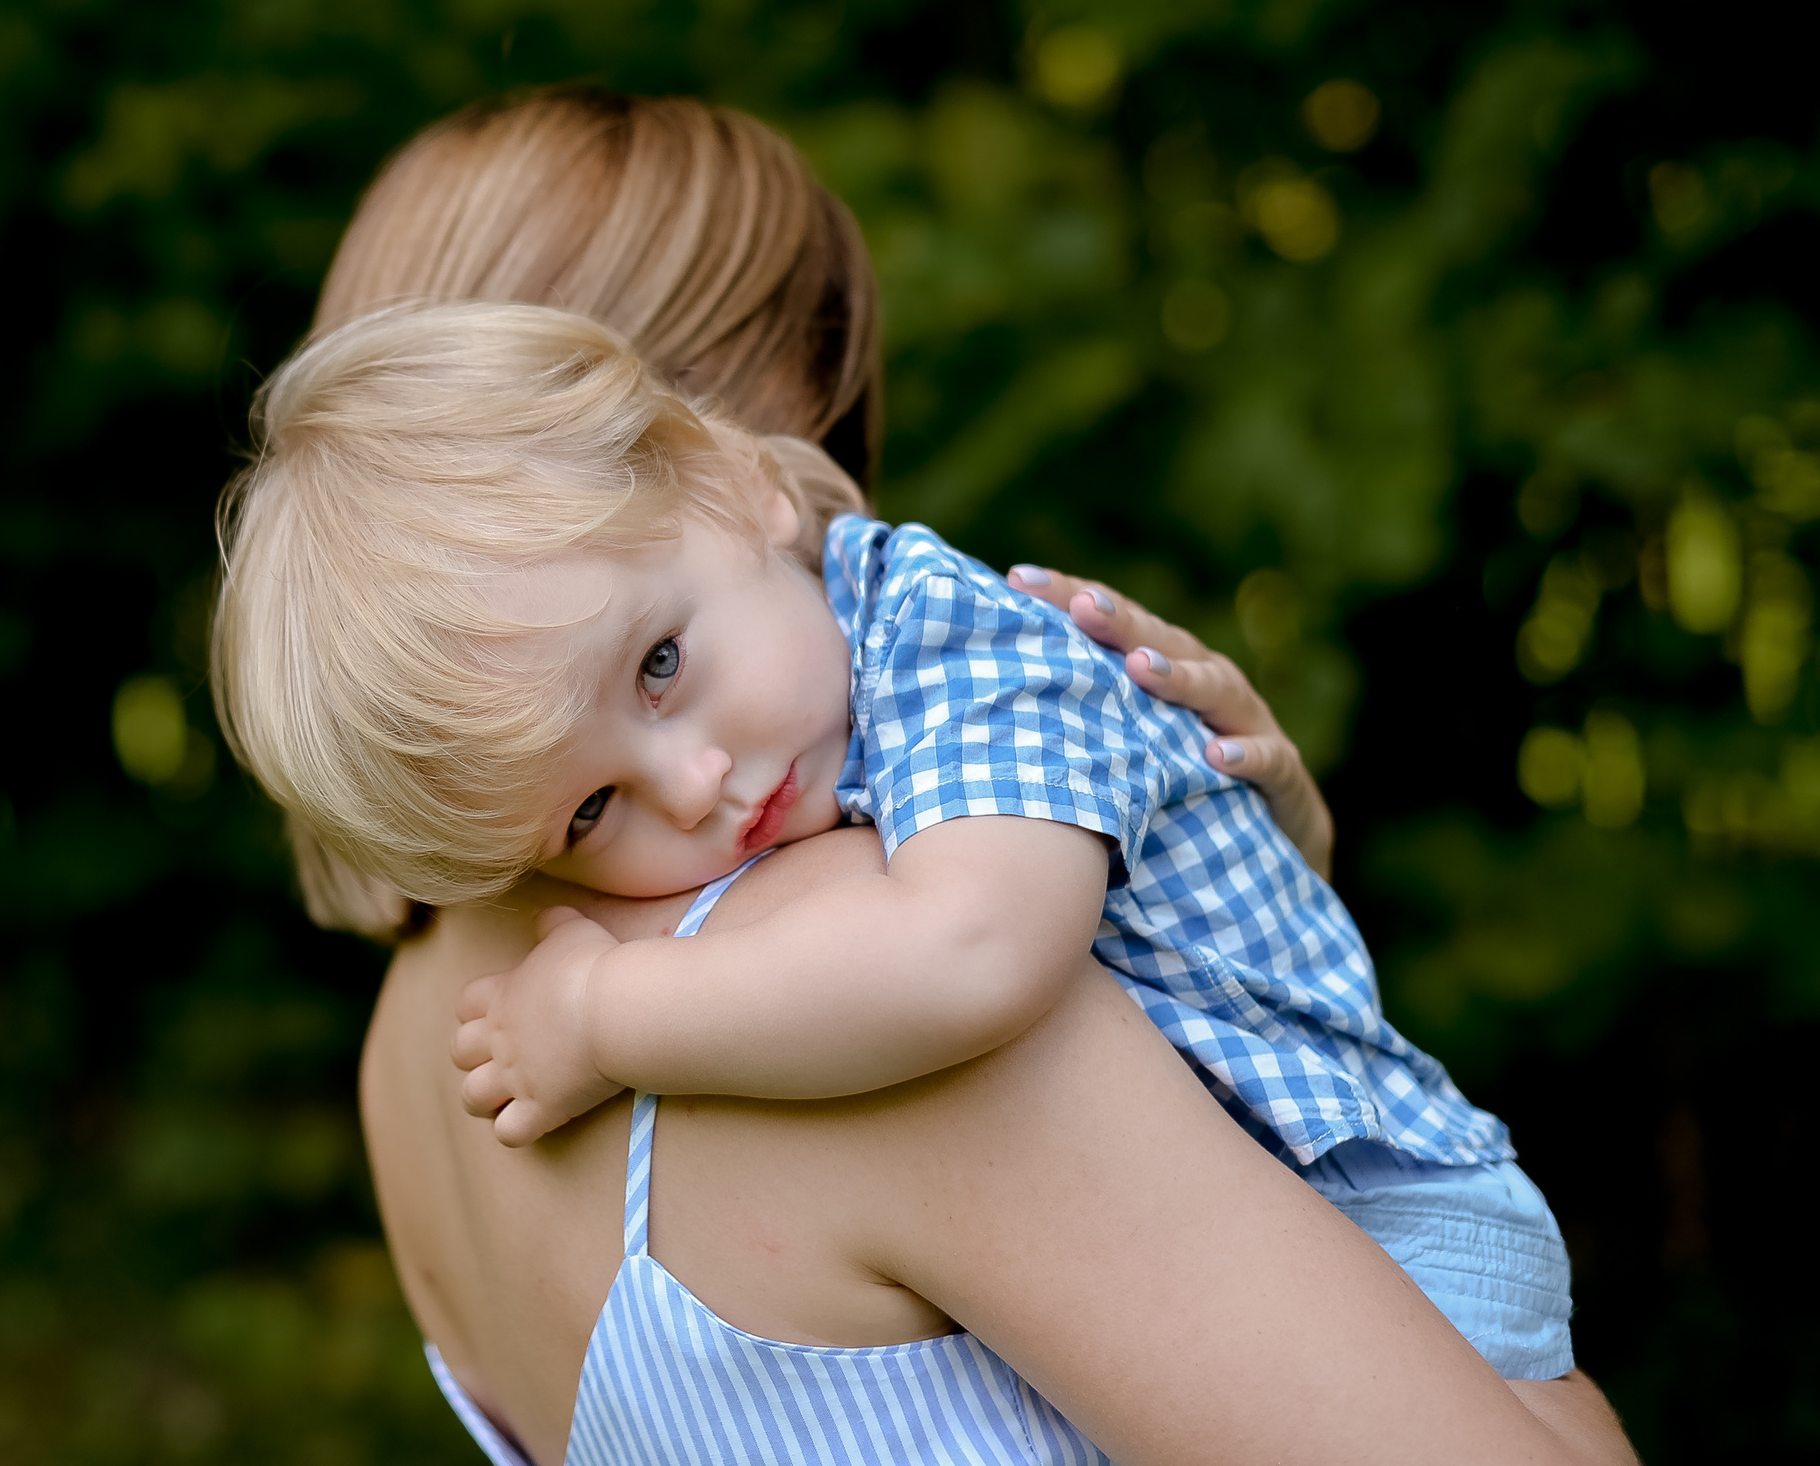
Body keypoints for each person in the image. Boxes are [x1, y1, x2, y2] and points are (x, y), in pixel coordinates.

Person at [272, 90, 1633, 1464]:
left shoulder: (420, 1057)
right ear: (710, 444)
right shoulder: (860, 976)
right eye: (829, 403)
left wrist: (1230, 887)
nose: (842, 486)